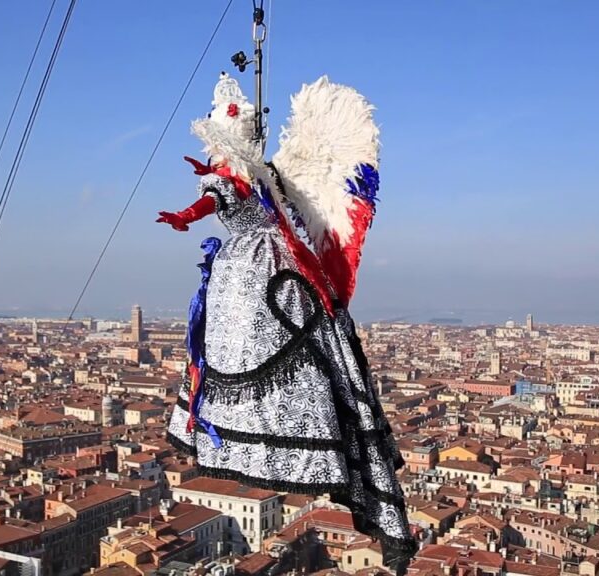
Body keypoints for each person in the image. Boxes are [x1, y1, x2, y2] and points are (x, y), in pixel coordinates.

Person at [157, 73, 418, 573]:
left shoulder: (248, 176)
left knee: (280, 343)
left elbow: (217, 200)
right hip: (269, 268)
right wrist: (191, 214)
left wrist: (187, 216)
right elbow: (221, 198)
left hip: (255, 272)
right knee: (308, 346)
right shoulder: (262, 179)